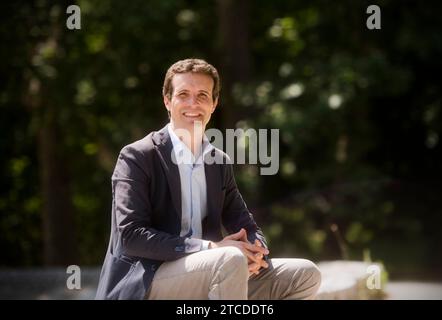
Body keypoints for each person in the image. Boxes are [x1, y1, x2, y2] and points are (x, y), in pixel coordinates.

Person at [95, 58, 321, 300]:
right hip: (147, 281)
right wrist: (210, 247)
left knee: (305, 273)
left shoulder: (218, 161)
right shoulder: (138, 156)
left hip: (216, 270)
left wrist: (256, 252)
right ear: (167, 101)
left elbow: (246, 224)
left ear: (214, 104)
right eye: (183, 94)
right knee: (230, 258)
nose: (193, 103)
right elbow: (132, 236)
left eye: (202, 95)